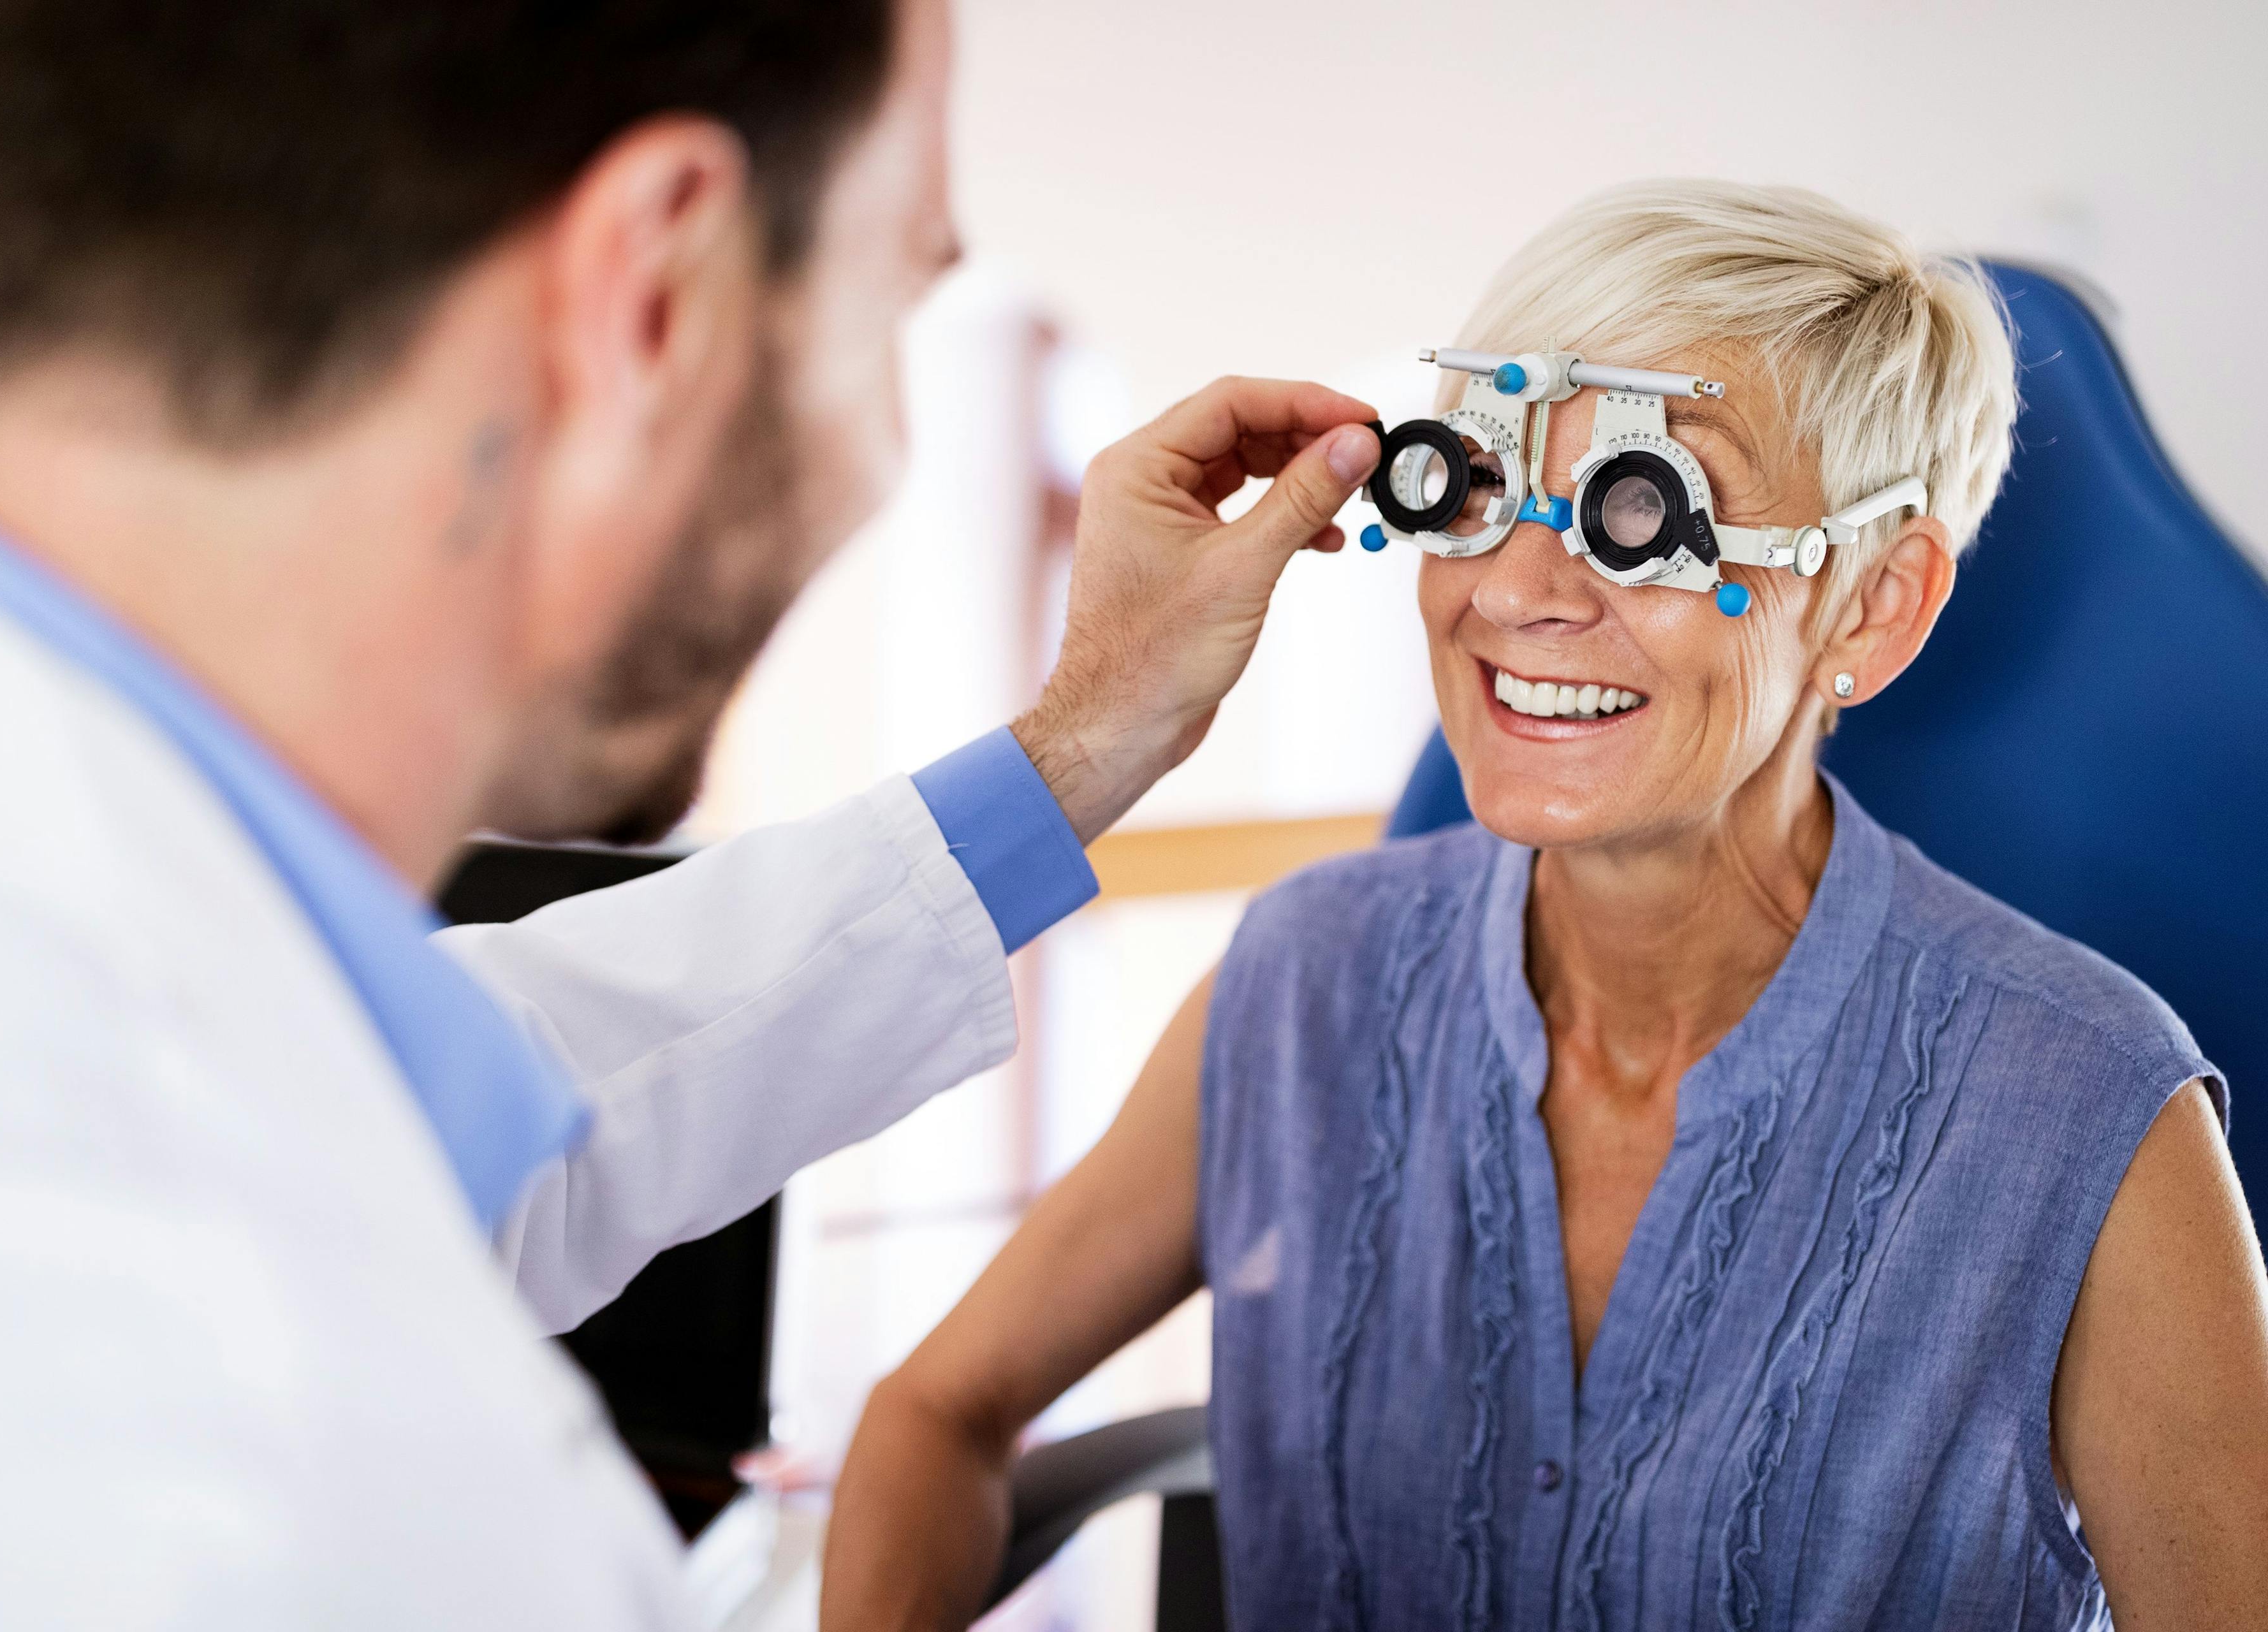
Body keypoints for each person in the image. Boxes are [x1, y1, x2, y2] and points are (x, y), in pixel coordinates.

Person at [0, 1, 1385, 1626]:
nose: (882, 444)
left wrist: (1077, 749)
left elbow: (500, 1083)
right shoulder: (282, 1486)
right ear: (654, 289)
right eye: (898, 296)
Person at [823, 182, 2268, 1631]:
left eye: (1644, 510)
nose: (1513, 591)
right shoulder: (1308, 976)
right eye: (1468, 485)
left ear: (1874, 606)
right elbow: (935, 1412)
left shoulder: (2092, 1112)